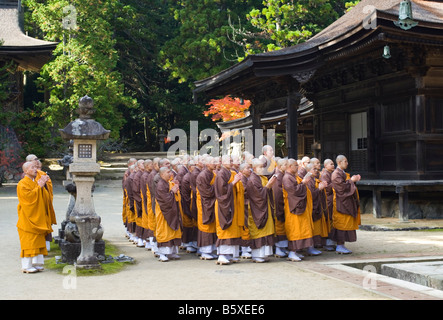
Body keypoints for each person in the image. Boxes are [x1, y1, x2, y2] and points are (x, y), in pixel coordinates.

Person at [16, 162, 53, 273]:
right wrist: (39, 187)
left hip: (38, 216)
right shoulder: (22, 184)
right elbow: (28, 199)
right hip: (28, 217)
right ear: (26, 171)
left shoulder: (36, 182)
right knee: (29, 241)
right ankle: (26, 266)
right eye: (32, 167)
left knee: (38, 240)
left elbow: (45, 197)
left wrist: (43, 186)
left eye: (36, 167)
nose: (35, 169)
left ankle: (37, 263)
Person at [282, 159, 315, 262]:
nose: (298, 167)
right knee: (295, 229)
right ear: (290, 166)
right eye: (296, 165)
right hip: (293, 208)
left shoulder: (293, 176)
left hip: (298, 206)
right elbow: (294, 191)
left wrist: (303, 183)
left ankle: (296, 251)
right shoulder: (287, 177)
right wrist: (303, 183)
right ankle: (292, 252)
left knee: (300, 229)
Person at [213, 155, 243, 265]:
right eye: (229, 161)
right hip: (224, 204)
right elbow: (222, 191)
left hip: (232, 203)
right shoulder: (221, 174)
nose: (231, 162)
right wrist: (234, 182)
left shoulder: (230, 172)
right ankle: (222, 255)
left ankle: (231, 255)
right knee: (225, 229)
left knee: (233, 229)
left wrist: (237, 180)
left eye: (232, 160)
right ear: (223, 163)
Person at [246, 158, 277, 263]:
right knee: (259, 230)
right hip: (257, 210)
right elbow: (257, 196)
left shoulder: (261, 177)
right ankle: (257, 255)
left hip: (265, 207)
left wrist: (269, 186)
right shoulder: (253, 179)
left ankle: (264, 254)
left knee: (267, 230)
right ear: (254, 168)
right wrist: (268, 186)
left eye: (263, 167)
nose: (262, 169)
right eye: (260, 167)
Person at [331, 155, 361, 254]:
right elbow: (341, 189)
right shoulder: (336, 174)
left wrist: (353, 181)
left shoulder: (342, 173)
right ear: (339, 162)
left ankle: (342, 245)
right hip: (341, 203)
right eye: (345, 161)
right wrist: (351, 181)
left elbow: (347, 185)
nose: (347, 163)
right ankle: (339, 245)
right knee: (341, 224)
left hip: (345, 202)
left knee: (345, 223)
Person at [26, 155, 56, 251]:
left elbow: (48, 188)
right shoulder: (25, 178)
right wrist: (39, 186)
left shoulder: (41, 173)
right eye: (35, 160)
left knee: (45, 221)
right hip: (33, 204)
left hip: (44, 202)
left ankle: (45, 245)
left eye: (37, 159)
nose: (37, 161)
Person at [155, 167, 182, 262]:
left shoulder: (167, 183)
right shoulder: (160, 185)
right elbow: (165, 200)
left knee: (172, 232)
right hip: (164, 213)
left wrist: (175, 189)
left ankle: (171, 252)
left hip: (172, 212)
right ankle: (162, 253)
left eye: (170, 171)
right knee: (164, 231)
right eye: (168, 172)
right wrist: (172, 191)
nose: (170, 173)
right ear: (162, 174)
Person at [196, 156, 218, 260]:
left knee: (212, 226)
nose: (216, 163)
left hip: (211, 203)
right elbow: (207, 191)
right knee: (206, 226)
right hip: (205, 203)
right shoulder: (202, 175)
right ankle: (205, 251)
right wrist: (218, 186)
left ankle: (211, 250)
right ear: (207, 164)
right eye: (213, 162)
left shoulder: (212, 173)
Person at [305, 163, 329, 255]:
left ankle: (313, 246)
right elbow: (309, 195)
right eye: (314, 169)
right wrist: (319, 189)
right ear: (308, 171)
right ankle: (310, 248)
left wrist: (321, 187)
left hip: (317, 207)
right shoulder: (308, 180)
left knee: (316, 229)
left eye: (316, 169)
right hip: (312, 208)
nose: (316, 170)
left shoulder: (314, 179)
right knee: (311, 228)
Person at [180, 160, 198, 253]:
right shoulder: (187, 177)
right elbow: (186, 194)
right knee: (189, 224)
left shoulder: (191, 175)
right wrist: (189, 207)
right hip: (189, 203)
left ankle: (192, 243)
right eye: (195, 165)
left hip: (192, 203)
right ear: (190, 167)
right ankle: (189, 244)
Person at [272, 158, 288, 258]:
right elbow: (278, 193)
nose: (287, 166)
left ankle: (283, 248)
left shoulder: (283, 175)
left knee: (283, 227)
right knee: (279, 227)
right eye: (285, 164)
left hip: (283, 203)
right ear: (279, 166)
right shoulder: (278, 176)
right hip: (279, 204)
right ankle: (278, 249)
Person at [320, 159, 336, 251]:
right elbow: (326, 188)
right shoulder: (325, 174)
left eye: (333, 164)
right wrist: (336, 183)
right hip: (328, 200)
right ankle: (327, 243)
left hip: (331, 199)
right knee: (329, 220)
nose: (333, 165)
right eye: (331, 164)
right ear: (325, 166)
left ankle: (331, 242)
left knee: (332, 220)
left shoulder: (331, 174)